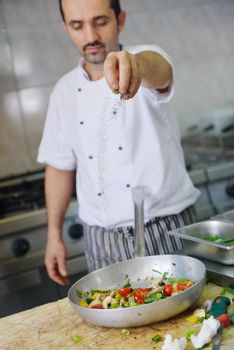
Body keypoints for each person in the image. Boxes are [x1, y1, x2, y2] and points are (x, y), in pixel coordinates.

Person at [37, 0, 200, 286]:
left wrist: (136, 65)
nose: (91, 36)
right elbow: (59, 167)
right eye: (77, 25)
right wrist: (53, 236)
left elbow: (160, 71)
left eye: (101, 21)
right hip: (102, 241)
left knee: (187, 325)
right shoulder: (64, 91)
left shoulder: (147, 58)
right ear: (66, 28)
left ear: (120, 19)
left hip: (165, 227)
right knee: (113, 325)